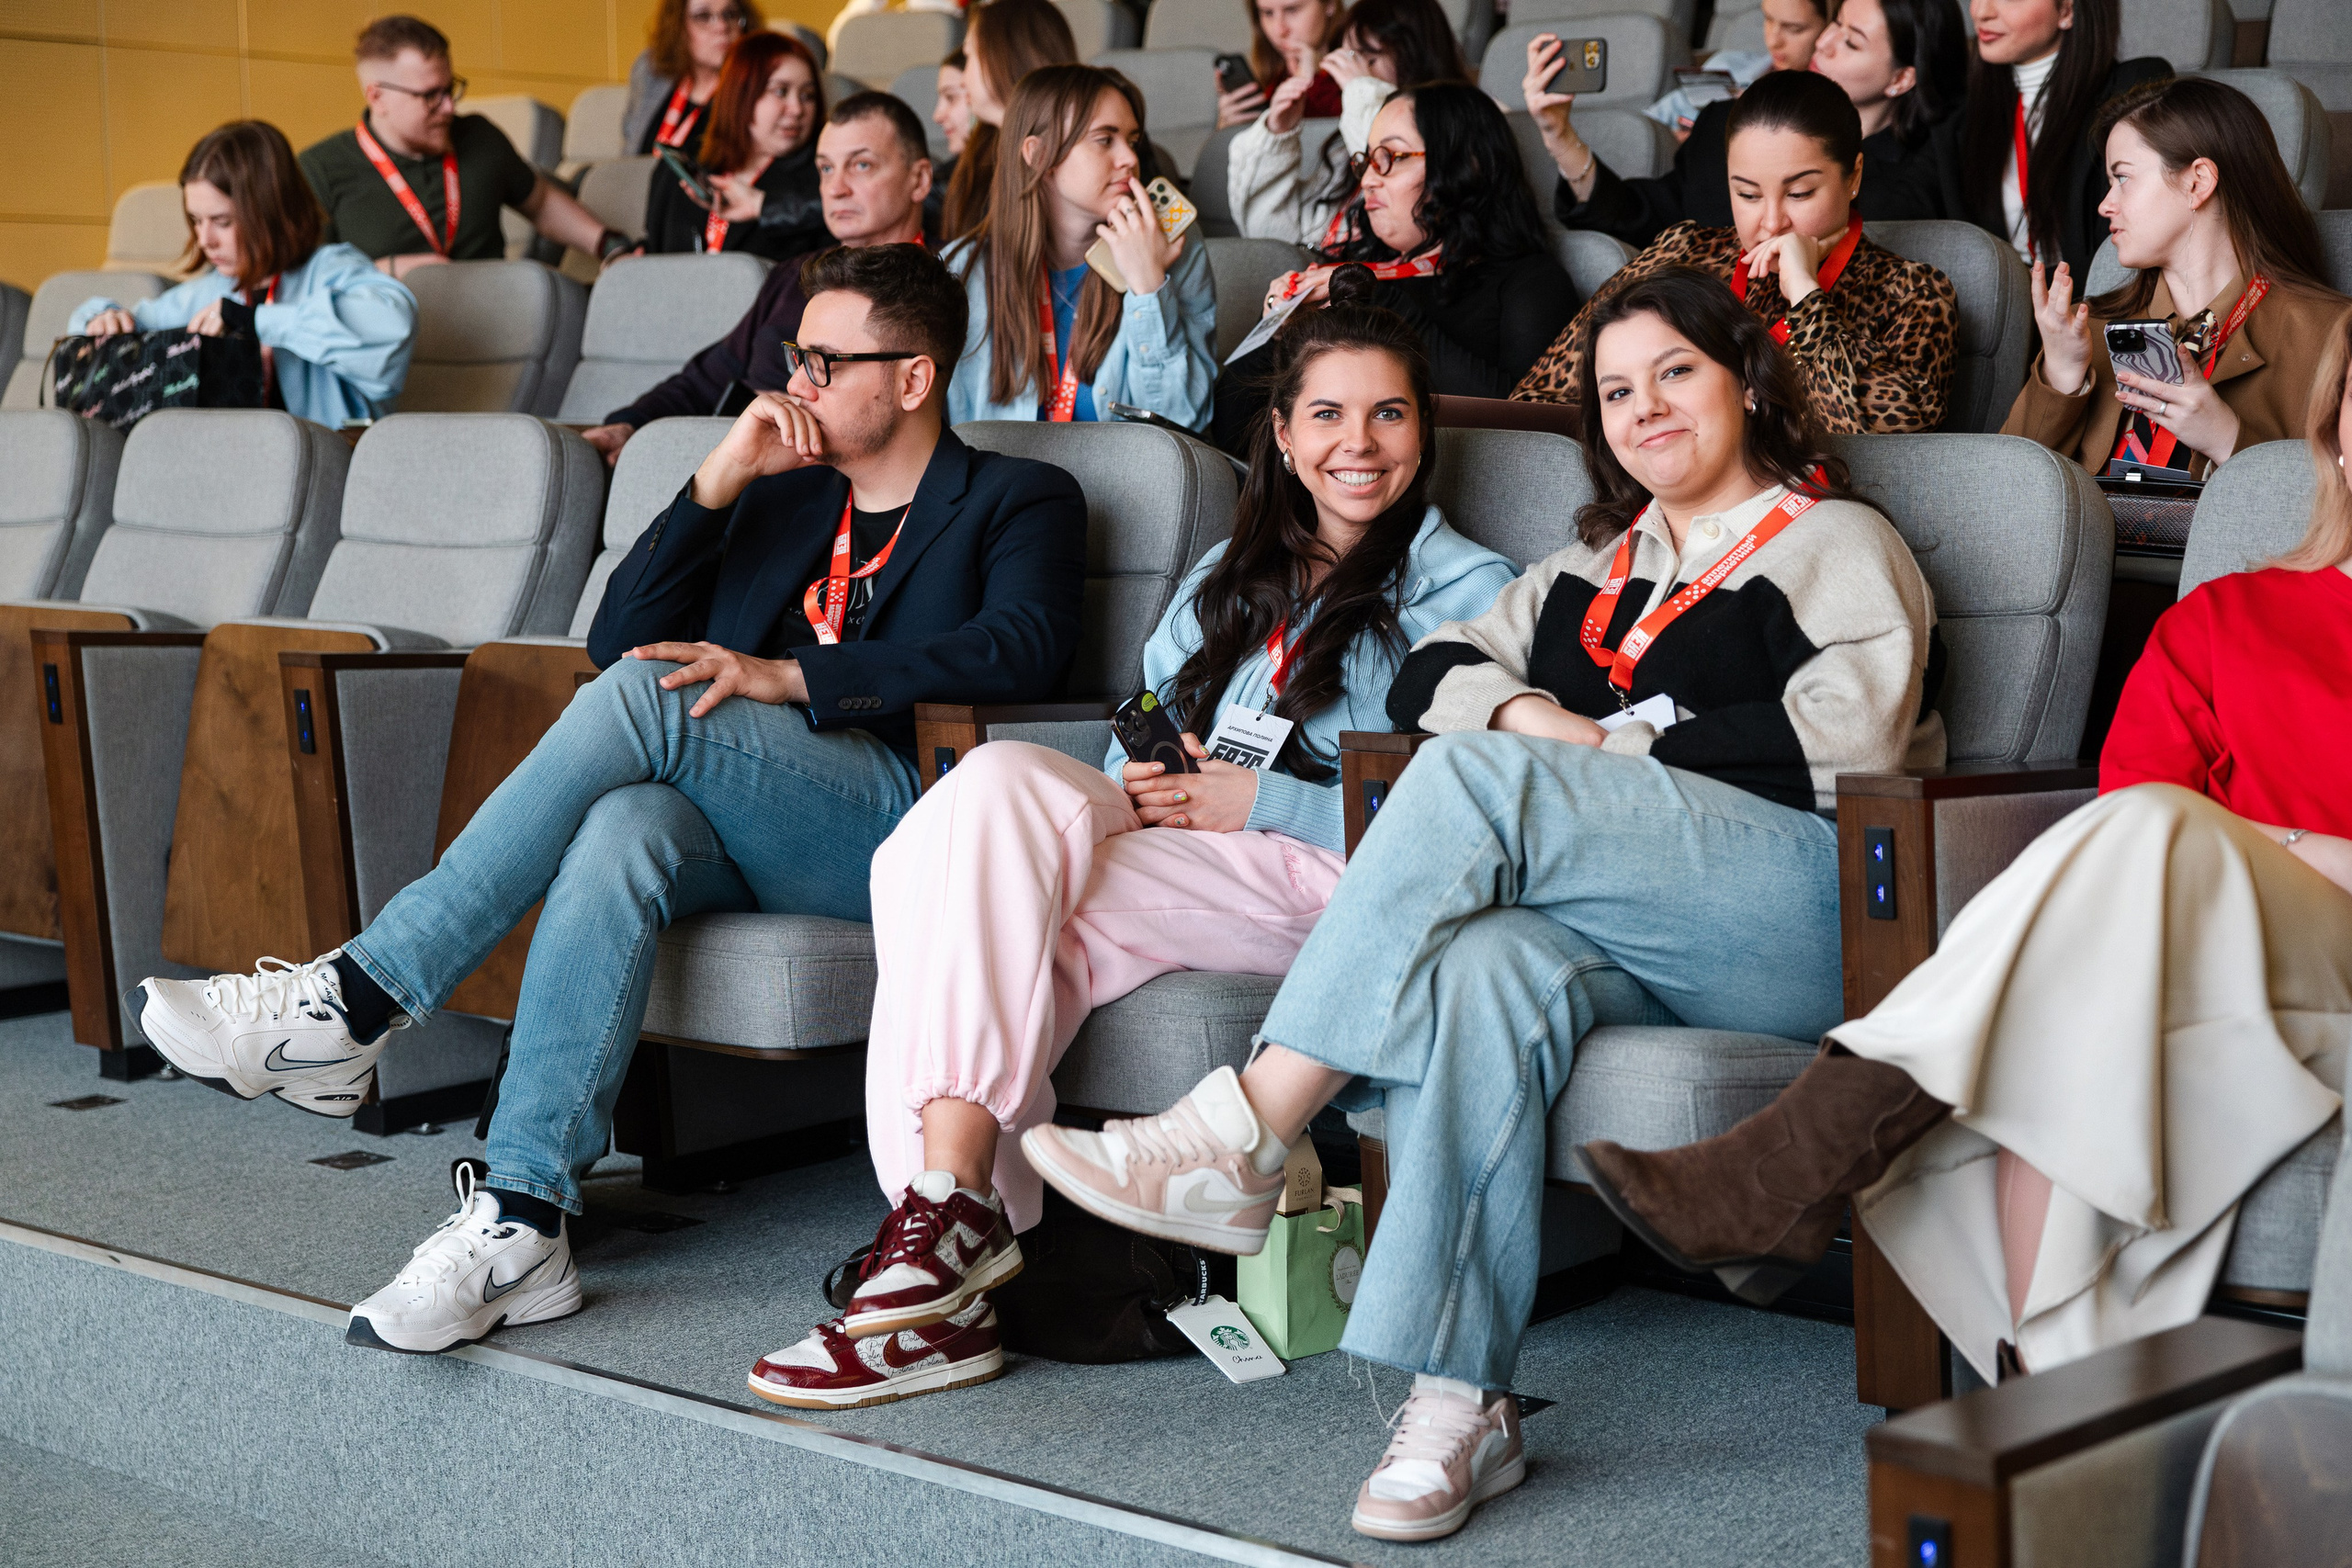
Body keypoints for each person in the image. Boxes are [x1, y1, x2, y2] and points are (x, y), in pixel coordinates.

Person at [1023, 266, 1944, 1542]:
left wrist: (1594, 755)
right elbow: (1438, 674)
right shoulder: (1589, 568)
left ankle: (1247, 1125)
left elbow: (1846, 744)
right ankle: (1460, 1398)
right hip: (1618, 923)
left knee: (1480, 777)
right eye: (1616, 389)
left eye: (1676, 372)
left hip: (1795, 908)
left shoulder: (1834, 539)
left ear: (1747, 379)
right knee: (1482, 968)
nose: (1645, 407)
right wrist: (1537, 715)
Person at [127, 244, 1089, 1358]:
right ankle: (523, 1217)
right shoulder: (785, 498)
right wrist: (717, 481)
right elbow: (614, 640)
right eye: (796, 355)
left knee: (644, 707)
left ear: (914, 378)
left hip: (911, 823)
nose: (799, 380)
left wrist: (790, 678)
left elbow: (1021, 648)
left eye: (827, 360)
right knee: (621, 828)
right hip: (755, 817)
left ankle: (357, 996)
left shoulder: (1019, 496)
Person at [746, 271, 1520, 1411]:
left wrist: (1260, 806)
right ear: (1284, 435)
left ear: (1423, 433)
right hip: (1187, 855)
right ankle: (949, 1245)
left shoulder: (1467, 587)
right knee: (967, 829)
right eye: (1327, 415)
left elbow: (1467, 796)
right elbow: (1123, 753)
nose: (1359, 443)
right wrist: (1150, 781)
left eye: (1388, 414)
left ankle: (934, 1251)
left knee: (966, 879)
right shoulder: (1226, 577)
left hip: (1337, 877)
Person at [1582, 303, 2352, 1383]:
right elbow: (2132, 825)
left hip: (2329, 957)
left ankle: (1827, 1133)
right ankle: (2050, 1399)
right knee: (2098, 967)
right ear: (2334, 430)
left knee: (2151, 858)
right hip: (2198, 953)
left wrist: (2270, 845)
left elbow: (2166, 831)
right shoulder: (2225, 617)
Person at [1512, 70, 1959, 435]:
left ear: (1853, 176)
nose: (1770, 222)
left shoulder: (1912, 291)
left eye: (1800, 193)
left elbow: (1886, 439)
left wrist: (1807, 298)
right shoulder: (1684, 251)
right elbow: (1540, 399)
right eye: (1747, 194)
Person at [2002, 76, 2346, 481]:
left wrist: (2228, 440)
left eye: (2123, 178)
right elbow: (2007, 502)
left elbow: (2337, 514)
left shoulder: (2332, 335)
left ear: (2197, 182)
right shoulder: (2086, 329)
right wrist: (2060, 376)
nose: (2105, 205)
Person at [1212, 85, 1578, 453]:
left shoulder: (1532, 280)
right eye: (1368, 161)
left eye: (1392, 157)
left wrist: (1381, 305)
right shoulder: (1350, 270)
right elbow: (1232, 436)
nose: (1368, 180)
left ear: (1466, 164)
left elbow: (1528, 431)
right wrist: (1275, 336)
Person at [582, 93, 933, 465]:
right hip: (740, 466)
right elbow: (708, 377)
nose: (836, 188)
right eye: (826, 169)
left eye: (861, 166)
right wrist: (628, 424)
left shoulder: (948, 282)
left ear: (920, 179)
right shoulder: (794, 274)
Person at [1529, 0, 1966, 249]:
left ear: (1902, 77)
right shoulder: (1726, 123)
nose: (1824, 42)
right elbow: (1643, 217)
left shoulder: (1917, 183)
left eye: (1851, 42)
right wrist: (1559, 136)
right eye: (1833, 24)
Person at [71, 121, 416, 426]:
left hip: (331, 472)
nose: (205, 240)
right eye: (195, 221)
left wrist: (254, 320)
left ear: (269, 212)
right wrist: (101, 319)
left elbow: (394, 326)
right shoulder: (212, 291)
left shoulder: (330, 268)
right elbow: (103, 323)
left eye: (222, 222)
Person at [944, 65, 1217, 430]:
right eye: (1105, 140)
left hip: (1125, 485)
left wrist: (1148, 288)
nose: (1130, 159)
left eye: (1132, 141)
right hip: (1007, 487)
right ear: (1038, 155)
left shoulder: (1174, 245)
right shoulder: (961, 270)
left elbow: (1184, 425)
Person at [299, 16, 631, 281]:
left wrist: (609, 244)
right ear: (377, 97)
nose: (448, 108)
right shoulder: (320, 169)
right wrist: (389, 271)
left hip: (495, 322)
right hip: (397, 337)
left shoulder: (479, 137)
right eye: (430, 96)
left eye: (450, 89)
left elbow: (542, 202)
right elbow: (306, 282)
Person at [1873, 0, 2169, 276]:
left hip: (2092, 310)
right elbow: (1902, 202)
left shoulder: (2132, 92)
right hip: (2002, 316)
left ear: (2067, 9)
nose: (1980, 11)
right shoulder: (1961, 114)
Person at [1226, 0, 1471, 248]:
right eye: (1349, 58)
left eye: (1369, 59)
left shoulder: (1462, 125)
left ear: (1416, 57)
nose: (1354, 72)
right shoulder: (1344, 149)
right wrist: (1277, 135)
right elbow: (1273, 240)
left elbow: (1428, 220)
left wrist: (1363, 93)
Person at [640, 31, 826, 261]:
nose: (797, 109)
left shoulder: (823, 180)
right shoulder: (678, 173)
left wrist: (763, 206)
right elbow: (654, 249)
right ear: (740, 95)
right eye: (781, 91)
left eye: (808, 95)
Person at [940, 0, 1081, 240]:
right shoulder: (976, 158)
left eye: (969, 58)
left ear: (1003, 58)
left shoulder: (1089, 146)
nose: (963, 81)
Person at [1644, 0, 1830, 139]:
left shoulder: (1824, 105)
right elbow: (1647, 127)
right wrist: (1670, 141)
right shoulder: (1728, 64)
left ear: (1829, 30)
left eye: (1794, 29)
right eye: (1768, 19)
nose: (1773, 41)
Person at [621, 0, 760, 157]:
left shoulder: (759, 89)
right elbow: (627, 156)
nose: (722, 26)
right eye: (703, 16)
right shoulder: (651, 72)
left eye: (730, 14)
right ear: (678, 26)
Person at [1216, 0, 1345, 130]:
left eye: (1292, 10)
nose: (1279, 30)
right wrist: (1228, 134)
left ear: (1330, 4)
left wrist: (1314, 82)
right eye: (1268, 13)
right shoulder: (1263, 82)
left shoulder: (1357, 76)